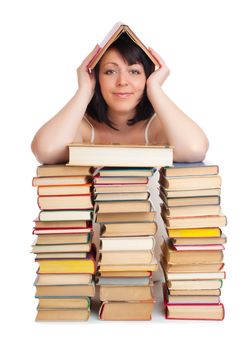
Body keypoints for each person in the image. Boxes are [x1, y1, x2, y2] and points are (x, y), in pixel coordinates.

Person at [31, 33, 209, 164]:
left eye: (134, 72)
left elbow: (195, 149)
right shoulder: (83, 127)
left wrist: (155, 89)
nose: (122, 82)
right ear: (97, 77)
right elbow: (45, 150)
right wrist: (84, 90)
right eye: (110, 71)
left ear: (147, 76)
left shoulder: (157, 126)